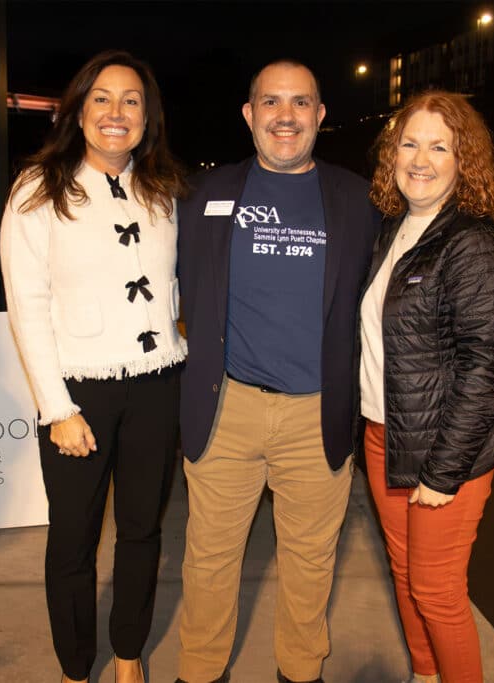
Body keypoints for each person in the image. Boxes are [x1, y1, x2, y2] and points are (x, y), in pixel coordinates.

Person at [175, 60, 381, 683]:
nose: (284, 116)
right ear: (249, 114)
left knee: (310, 563)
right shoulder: (207, 194)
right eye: (271, 103)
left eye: (299, 103)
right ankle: (200, 671)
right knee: (207, 561)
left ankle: (300, 671)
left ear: (320, 115)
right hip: (226, 408)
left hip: (315, 414)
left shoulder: (358, 200)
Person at [0, 50, 187, 683]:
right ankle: (76, 666)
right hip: (80, 395)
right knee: (73, 541)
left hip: (157, 385)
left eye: (131, 100)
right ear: (78, 111)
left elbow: (171, 287)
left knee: (142, 532)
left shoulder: (161, 189)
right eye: (102, 98)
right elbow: (26, 305)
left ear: (147, 116)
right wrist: (58, 409)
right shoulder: (38, 188)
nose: (116, 112)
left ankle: (129, 655)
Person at [359, 90, 494, 683]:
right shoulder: (395, 229)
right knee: (406, 579)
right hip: (386, 435)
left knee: (437, 592)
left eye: (440, 145)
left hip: (443, 449)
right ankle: (425, 675)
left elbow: (485, 367)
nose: (421, 158)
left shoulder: (473, 242)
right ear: (392, 154)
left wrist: (443, 471)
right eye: (409, 143)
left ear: (465, 160)